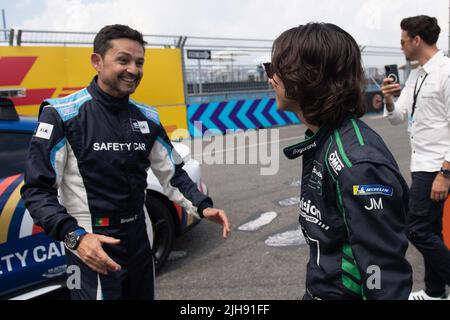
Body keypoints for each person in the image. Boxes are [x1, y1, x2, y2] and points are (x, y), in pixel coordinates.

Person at [20, 24, 231, 300]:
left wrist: (203, 207)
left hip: (140, 237)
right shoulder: (61, 115)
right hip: (92, 244)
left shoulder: (147, 118)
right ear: (97, 61)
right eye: (123, 60)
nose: (133, 69)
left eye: (139, 62)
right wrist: (76, 238)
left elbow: (172, 174)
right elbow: (37, 191)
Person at [264, 22, 412, 299]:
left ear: (306, 77)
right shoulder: (324, 137)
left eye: (273, 70)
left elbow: (383, 278)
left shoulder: (358, 166)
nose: (269, 79)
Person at [381, 15, 450, 300]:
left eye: (403, 42)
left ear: (416, 40)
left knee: (417, 230)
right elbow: (399, 118)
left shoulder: (446, 71)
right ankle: (435, 292)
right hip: (421, 164)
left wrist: (445, 173)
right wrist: (388, 99)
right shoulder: (416, 74)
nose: (401, 47)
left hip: (437, 167)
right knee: (431, 229)